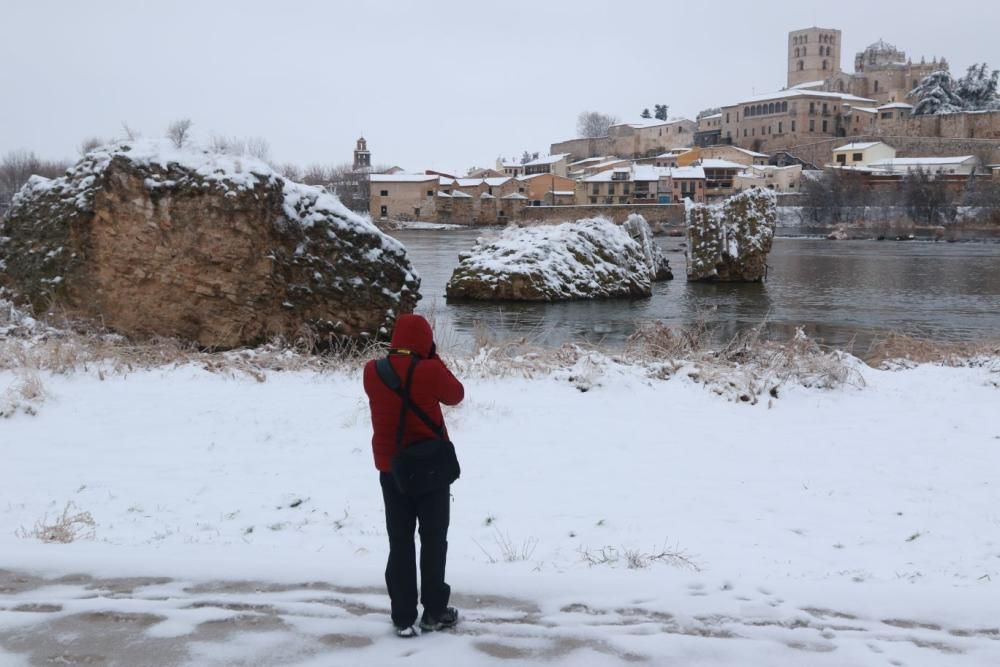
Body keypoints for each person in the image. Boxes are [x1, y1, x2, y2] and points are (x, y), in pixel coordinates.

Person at [363, 313, 465, 637]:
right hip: (431, 470)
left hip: (391, 470)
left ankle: (403, 616)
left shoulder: (372, 372)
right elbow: (456, 395)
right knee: (434, 540)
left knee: (400, 541)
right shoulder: (430, 370)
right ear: (424, 340)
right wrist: (433, 357)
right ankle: (435, 611)